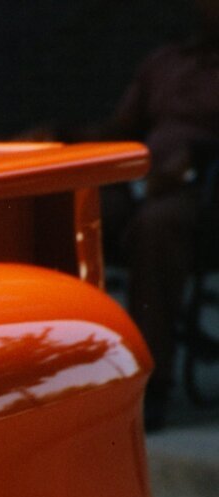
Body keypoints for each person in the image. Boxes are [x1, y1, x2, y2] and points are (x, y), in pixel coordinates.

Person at [94, 0, 219, 430]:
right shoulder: (166, 62)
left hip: (204, 199)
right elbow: (120, 128)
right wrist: (62, 136)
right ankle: (70, 370)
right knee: (81, 212)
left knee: (158, 227)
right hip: (144, 183)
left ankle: (152, 385)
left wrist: (195, 160)